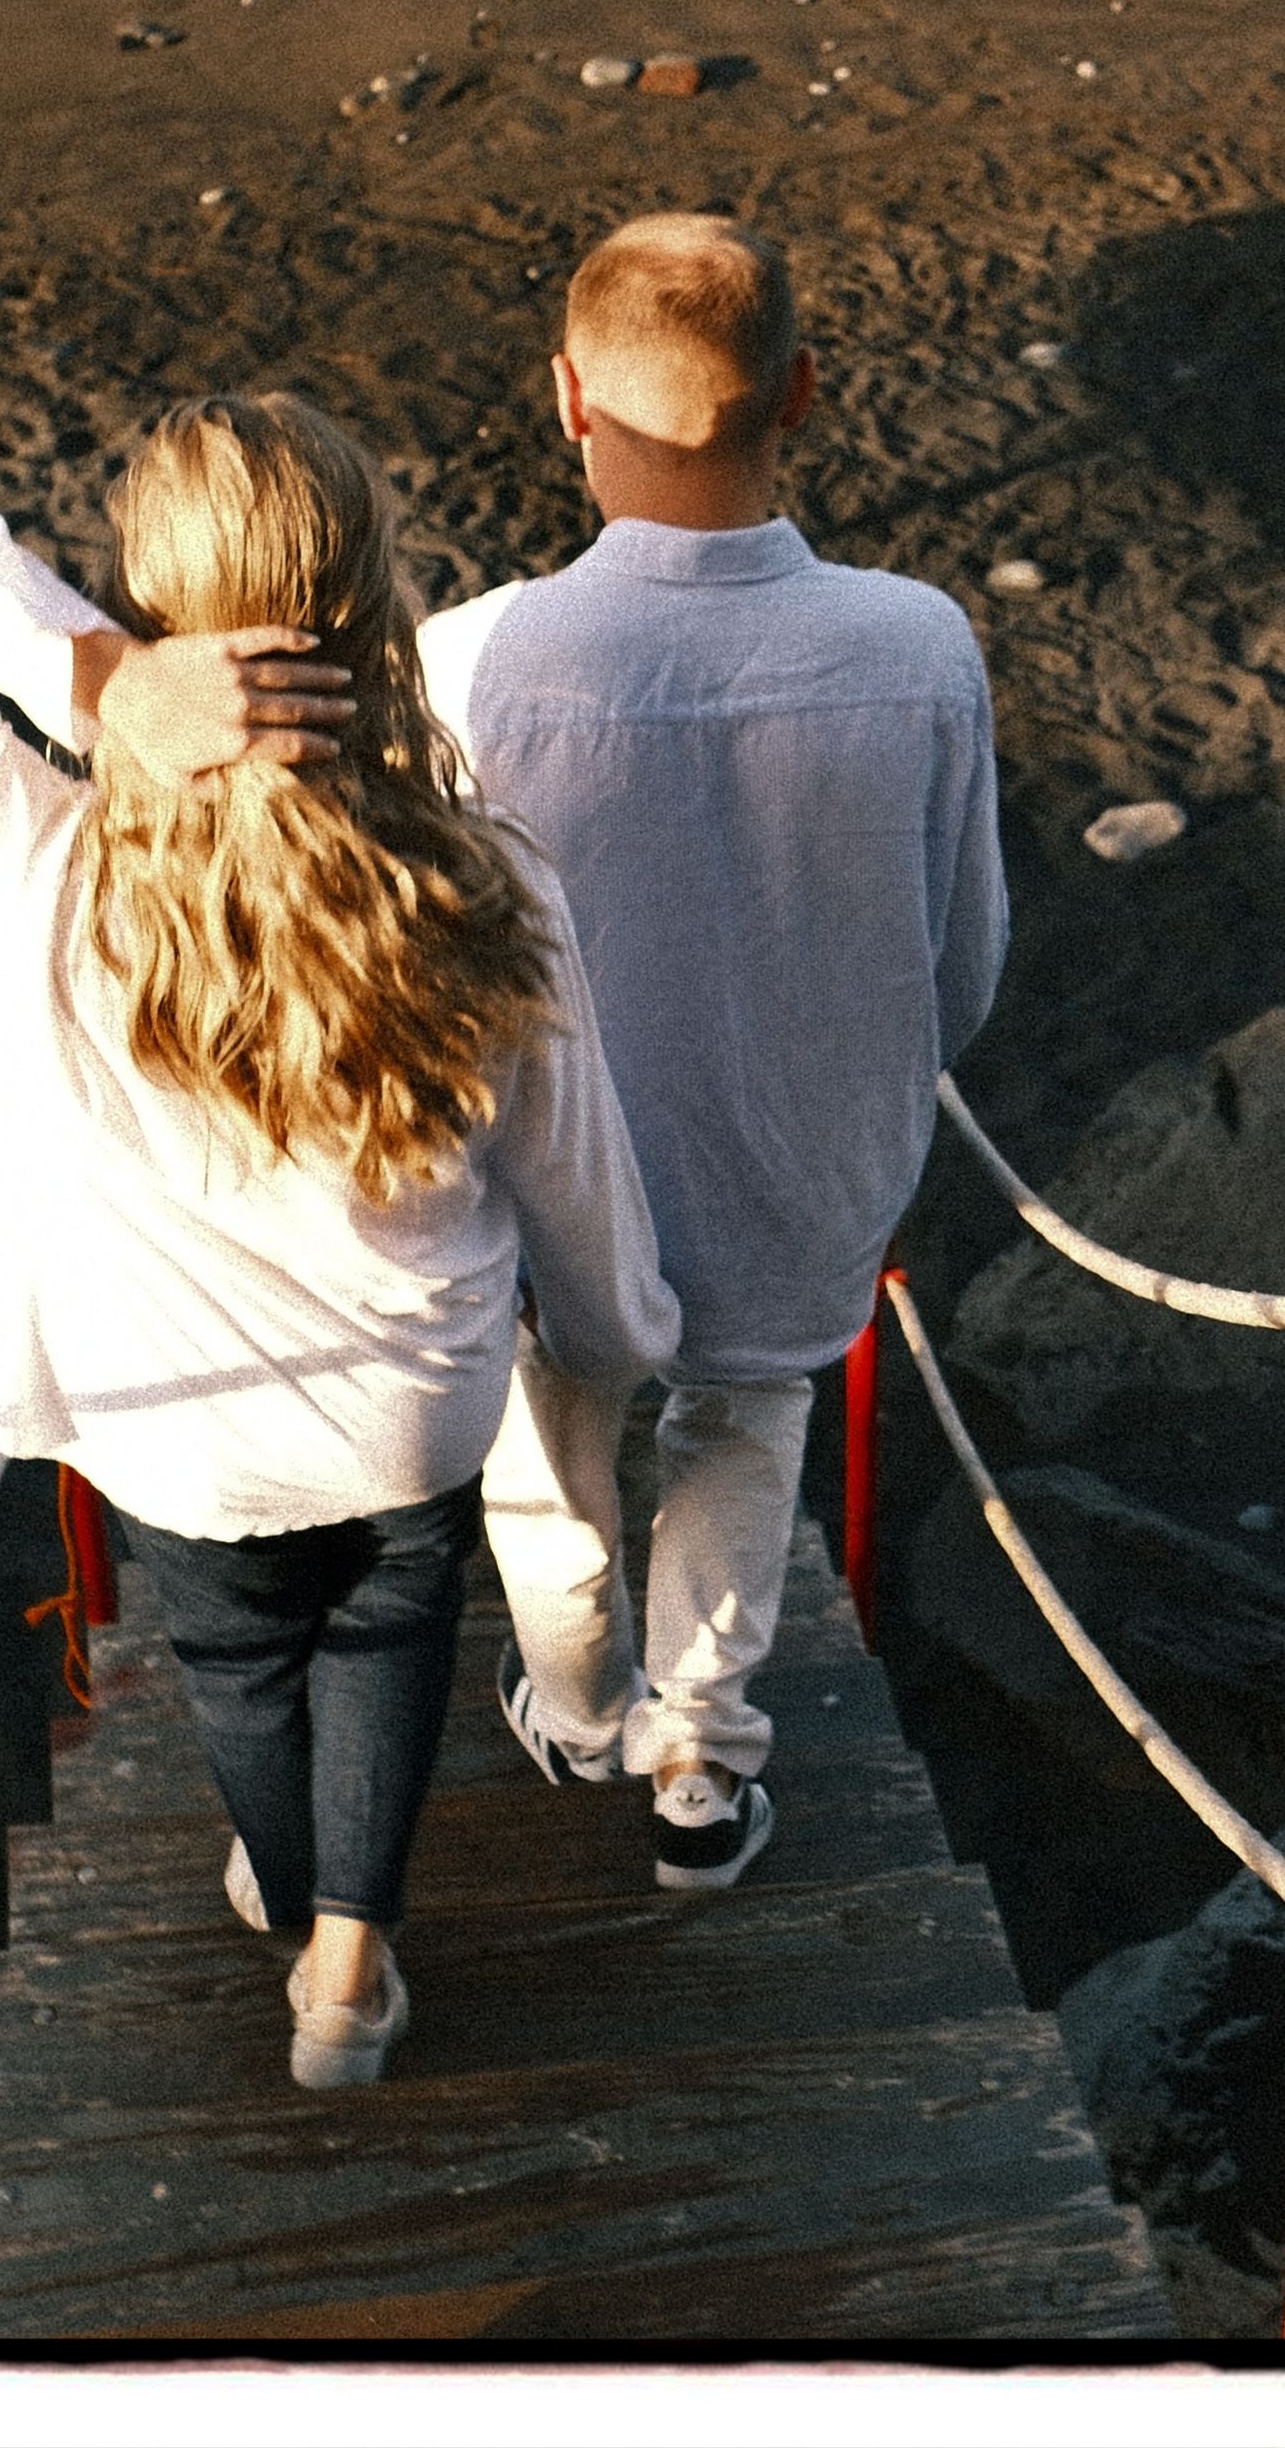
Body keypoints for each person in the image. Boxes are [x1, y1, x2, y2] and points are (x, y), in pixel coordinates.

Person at [0, 396, 677, 2087]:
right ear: (374, 601)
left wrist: (94, 680)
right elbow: (581, 1198)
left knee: (236, 1653)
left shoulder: (28, 877)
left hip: (168, 1419)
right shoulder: (488, 883)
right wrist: (615, 1343)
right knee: (396, 1623)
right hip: (413, 1408)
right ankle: (351, 1959)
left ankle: (288, 1879)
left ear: (148, 601)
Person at [419, 215, 1007, 1889]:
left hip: (554, 1174)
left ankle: (581, 1699)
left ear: (567, 401)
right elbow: (961, 959)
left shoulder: (476, 657)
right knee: (746, 1432)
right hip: (805, 1158)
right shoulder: (919, 645)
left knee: (553, 1447)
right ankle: (700, 1765)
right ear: (803, 393)